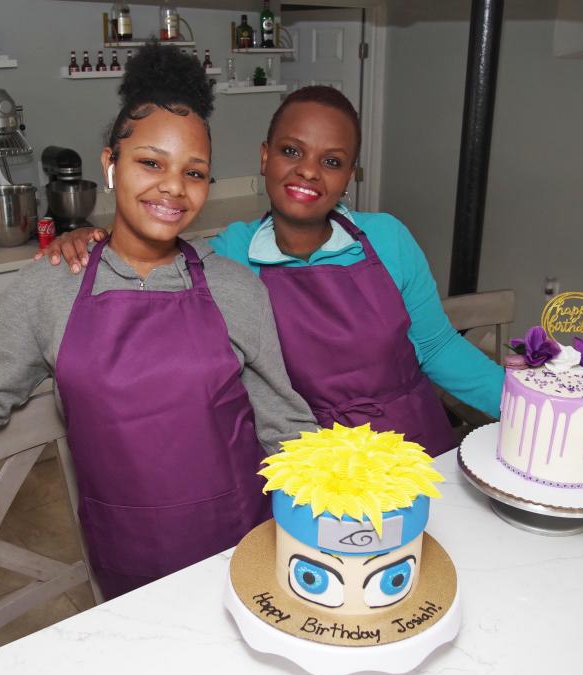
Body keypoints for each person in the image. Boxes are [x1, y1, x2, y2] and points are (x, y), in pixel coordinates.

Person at [0, 45, 316, 600]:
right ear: (109, 164)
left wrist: (329, 527)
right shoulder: (52, 287)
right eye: (151, 162)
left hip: (242, 546)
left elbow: (285, 428)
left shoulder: (236, 289)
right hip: (127, 555)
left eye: (194, 173)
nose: (173, 186)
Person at [36, 85, 503, 457]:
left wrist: (529, 406)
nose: (309, 172)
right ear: (265, 156)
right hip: (303, 462)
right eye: (292, 151)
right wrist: (88, 241)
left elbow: (438, 347)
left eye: (332, 162)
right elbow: (145, 266)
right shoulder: (227, 255)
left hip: (413, 453)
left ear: (350, 176)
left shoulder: (387, 238)